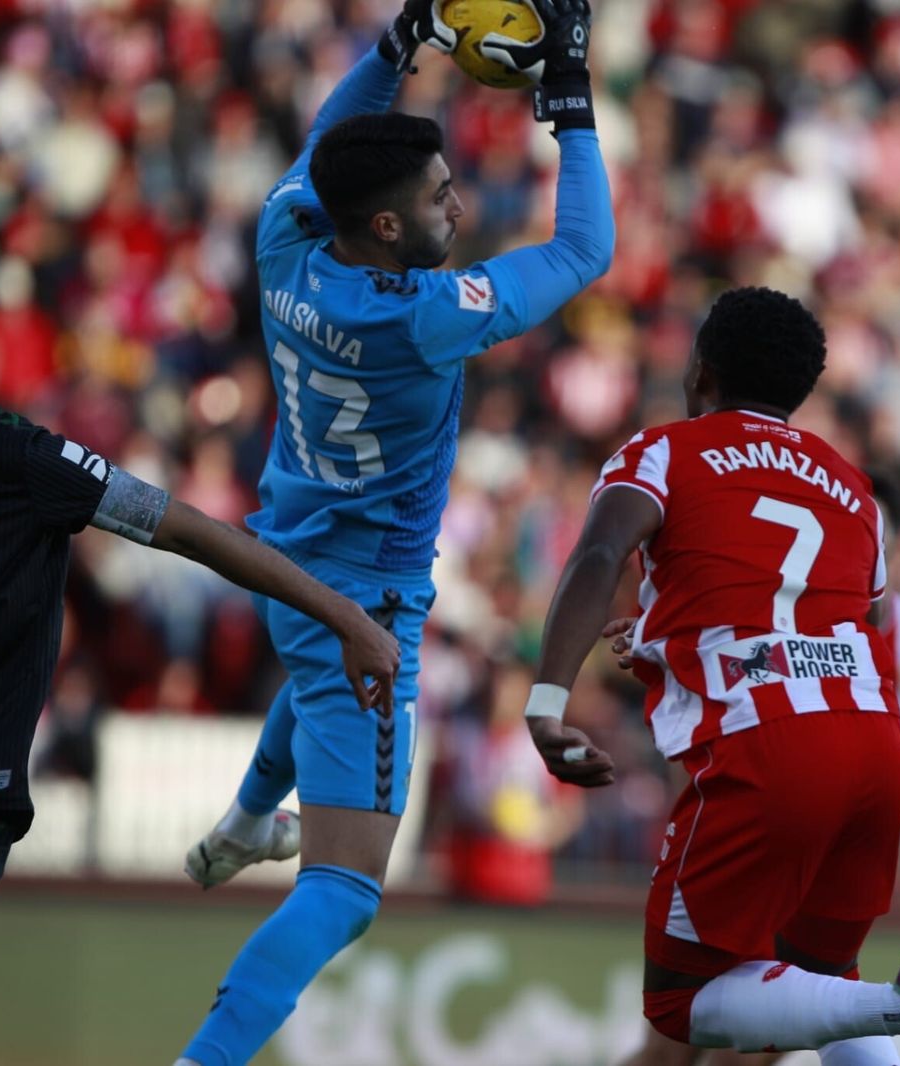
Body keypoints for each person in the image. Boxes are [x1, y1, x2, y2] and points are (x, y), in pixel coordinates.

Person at [173, 0, 613, 1061]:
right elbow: (585, 247)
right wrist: (569, 98)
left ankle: (247, 819)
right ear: (383, 228)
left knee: (312, 688)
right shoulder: (426, 315)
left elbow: (331, 140)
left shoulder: (286, 235)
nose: (458, 205)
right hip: (366, 606)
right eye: (438, 195)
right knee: (345, 890)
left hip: (286, 556)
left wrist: (398, 40)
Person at [524, 286, 900, 1066]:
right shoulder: (854, 489)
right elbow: (821, 618)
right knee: (822, 981)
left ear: (700, 371)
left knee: (680, 1005)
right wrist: (665, 639)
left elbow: (601, 553)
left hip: (768, 750)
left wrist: (548, 701)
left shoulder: (664, 451)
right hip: (876, 751)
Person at [606, 470, 900, 1066]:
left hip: (842, 845)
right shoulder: (779, 618)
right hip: (763, 826)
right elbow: (723, 663)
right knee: (685, 1037)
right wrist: (663, 634)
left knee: (752, 1033)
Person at [0, 407, 400, 906]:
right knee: (347, 901)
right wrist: (347, 617)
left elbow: (186, 530)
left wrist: (344, 617)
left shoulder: (18, 455)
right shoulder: (20, 454)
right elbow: (191, 533)